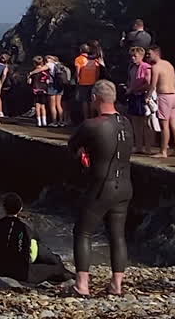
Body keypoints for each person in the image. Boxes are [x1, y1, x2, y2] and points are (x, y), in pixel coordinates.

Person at [68, 80, 131, 297]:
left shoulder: (92, 125)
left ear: (95, 98)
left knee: (83, 231)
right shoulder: (126, 123)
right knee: (117, 235)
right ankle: (116, 285)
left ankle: (82, 285)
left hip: (102, 185)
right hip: (125, 186)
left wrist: (83, 155)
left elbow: (73, 146)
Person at [0, 193, 71, 285]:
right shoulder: (26, 227)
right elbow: (41, 251)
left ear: (3, 208)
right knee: (56, 267)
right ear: (21, 208)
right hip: (22, 273)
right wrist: (56, 259)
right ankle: (72, 277)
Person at [147, 46, 175, 158]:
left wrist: (148, 96)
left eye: (149, 54)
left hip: (164, 96)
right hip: (174, 96)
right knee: (174, 123)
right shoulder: (169, 64)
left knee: (164, 125)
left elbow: (153, 85)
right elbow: (174, 81)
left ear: (156, 53)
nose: (148, 56)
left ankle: (163, 151)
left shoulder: (155, 67)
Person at [126, 47, 155, 154]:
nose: (133, 58)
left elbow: (148, 83)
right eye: (131, 56)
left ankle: (148, 147)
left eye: (135, 56)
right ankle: (138, 146)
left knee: (146, 123)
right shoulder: (132, 67)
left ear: (141, 56)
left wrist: (134, 89)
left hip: (142, 96)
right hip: (133, 96)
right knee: (135, 122)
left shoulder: (146, 67)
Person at [75, 44, 104, 120]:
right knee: (92, 101)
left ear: (81, 50)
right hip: (93, 82)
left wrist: (78, 80)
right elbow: (98, 71)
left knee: (84, 101)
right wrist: (96, 80)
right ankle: (92, 117)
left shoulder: (79, 59)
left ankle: (86, 118)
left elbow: (78, 72)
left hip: (83, 82)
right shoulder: (94, 59)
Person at [28, 57, 51, 127]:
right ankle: (44, 121)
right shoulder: (46, 72)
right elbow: (48, 81)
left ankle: (39, 122)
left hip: (36, 90)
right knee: (43, 106)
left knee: (37, 106)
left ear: (34, 63)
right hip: (44, 90)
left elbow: (29, 82)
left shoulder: (33, 72)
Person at [46, 56, 68, 127]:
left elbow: (40, 69)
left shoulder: (50, 65)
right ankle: (61, 121)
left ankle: (54, 122)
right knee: (59, 104)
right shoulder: (62, 66)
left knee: (52, 105)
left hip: (52, 86)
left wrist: (31, 73)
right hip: (60, 86)